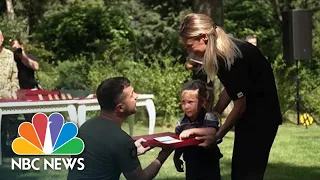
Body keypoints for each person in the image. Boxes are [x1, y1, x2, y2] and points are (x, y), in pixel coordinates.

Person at [178, 13, 282, 180]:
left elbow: (240, 104)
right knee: (239, 172)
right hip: (250, 118)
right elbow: (232, 88)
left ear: (204, 37)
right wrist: (214, 113)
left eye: (189, 46)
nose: (189, 51)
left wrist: (217, 136)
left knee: (247, 174)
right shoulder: (222, 53)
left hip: (261, 119)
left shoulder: (232, 56)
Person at [67, 77, 173, 180]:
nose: (137, 96)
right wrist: (163, 155)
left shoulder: (85, 127)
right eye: (132, 95)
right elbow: (140, 178)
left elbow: (100, 160)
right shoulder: (121, 140)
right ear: (120, 108)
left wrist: (131, 152)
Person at [173, 80, 222, 180]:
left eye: (190, 102)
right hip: (191, 163)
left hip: (209, 163)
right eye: (183, 102)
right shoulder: (182, 122)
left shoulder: (208, 116)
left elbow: (212, 131)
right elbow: (179, 142)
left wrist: (192, 131)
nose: (186, 106)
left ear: (202, 102)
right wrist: (176, 157)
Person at [10, 39, 40, 122]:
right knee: (13, 118)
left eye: (17, 48)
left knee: (32, 118)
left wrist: (23, 55)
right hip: (17, 92)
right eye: (14, 49)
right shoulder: (11, 60)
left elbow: (36, 67)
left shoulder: (29, 56)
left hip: (30, 91)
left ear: (22, 46)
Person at [0, 30, 20, 155]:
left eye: (0, 36)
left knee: (8, 123)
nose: (0, 39)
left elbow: (14, 76)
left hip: (7, 95)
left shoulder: (9, 54)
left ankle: (8, 149)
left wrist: (14, 90)